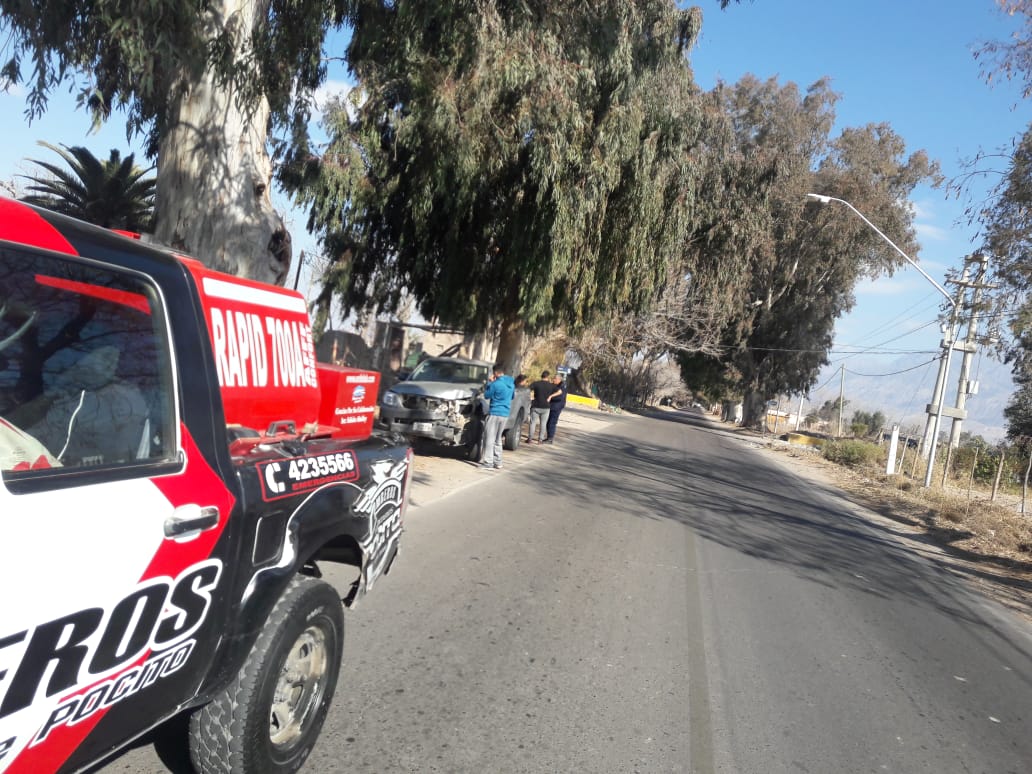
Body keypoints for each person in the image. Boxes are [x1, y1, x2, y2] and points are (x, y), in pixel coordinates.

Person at [479, 363, 514, 469]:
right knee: (498, 439)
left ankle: (488, 462)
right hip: (505, 414)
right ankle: (498, 462)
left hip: (495, 412)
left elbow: (487, 395)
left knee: (489, 438)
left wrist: (490, 383)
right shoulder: (511, 383)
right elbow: (512, 396)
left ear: (495, 373)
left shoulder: (495, 384)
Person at [527, 370, 553, 443]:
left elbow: (528, 389)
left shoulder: (536, 383)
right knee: (543, 424)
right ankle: (540, 439)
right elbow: (559, 391)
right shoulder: (551, 385)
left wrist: (530, 398)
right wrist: (550, 396)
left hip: (536, 406)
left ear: (541, 376)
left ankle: (530, 439)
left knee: (533, 423)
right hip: (546, 407)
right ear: (548, 377)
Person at [543, 373, 567, 444]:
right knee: (548, 422)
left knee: (552, 422)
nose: (553, 380)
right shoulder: (555, 385)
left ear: (558, 380)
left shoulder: (562, 387)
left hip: (556, 407)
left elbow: (560, 397)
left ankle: (550, 439)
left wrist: (550, 397)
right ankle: (549, 437)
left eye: (554, 379)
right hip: (552, 406)